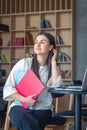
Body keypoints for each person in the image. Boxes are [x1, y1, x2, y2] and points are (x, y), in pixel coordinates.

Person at [3, 32, 63, 130]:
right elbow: (8, 87)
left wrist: (53, 62)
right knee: (22, 116)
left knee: (29, 120)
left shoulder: (53, 68)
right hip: (20, 107)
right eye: (36, 42)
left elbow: (58, 88)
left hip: (43, 109)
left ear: (50, 47)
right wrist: (24, 100)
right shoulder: (24, 63)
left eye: (42, 42)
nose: (37, 45)